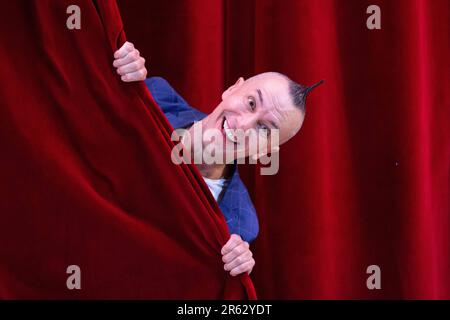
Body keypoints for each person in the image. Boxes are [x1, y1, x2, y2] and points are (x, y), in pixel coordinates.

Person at [112, 41, 323, 277]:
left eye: (263, 129)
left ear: (263, 152)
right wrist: (115, 78)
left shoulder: (238, 226)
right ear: (233, 89)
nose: (243, 124)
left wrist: (230, 276)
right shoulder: (153, 97)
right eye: (251, 103)